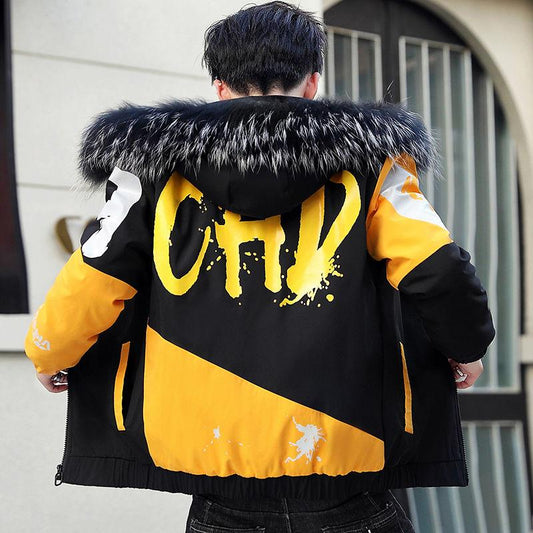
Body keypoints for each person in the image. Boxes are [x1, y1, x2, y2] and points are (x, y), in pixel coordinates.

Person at [24, 2, 495, 532]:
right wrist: (466, 347)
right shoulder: (374, 162)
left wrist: (49, 351)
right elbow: (437, 266)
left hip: (215, 467)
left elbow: (95, 272)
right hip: (345, 456)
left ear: (219, 87)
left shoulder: (149, 168)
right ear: (312, 82)